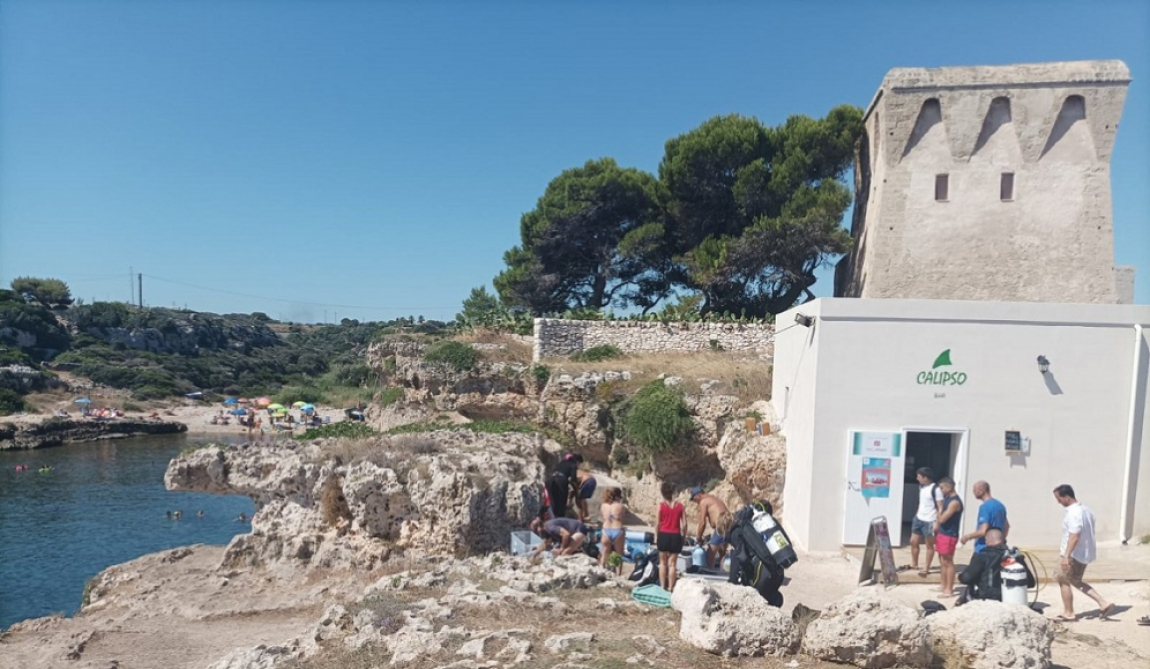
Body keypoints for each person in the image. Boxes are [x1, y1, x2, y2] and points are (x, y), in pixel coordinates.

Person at [1052, 484, 1115, 621]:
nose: (1058, 501)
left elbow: (1075, 535)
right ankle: (1103, 603)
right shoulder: (1087, 510)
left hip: (1073, 554)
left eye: (1059, 498)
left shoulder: (1074, 513)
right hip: (1084, 554)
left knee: (1062, 579)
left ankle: (1068, 612)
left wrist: (1066, 556)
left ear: (1067, 497)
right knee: (1075, 580)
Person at [958, 527, 1034, 602]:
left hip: (985, 600)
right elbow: (1031, 583)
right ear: (1003, 539)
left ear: (987, 540)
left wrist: (960, 576)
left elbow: (966, 578)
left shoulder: (982, 556)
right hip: (1011, 599)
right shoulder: (1014, 556)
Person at [909, 467, 945, 577]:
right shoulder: (922, 487)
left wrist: (937, 522)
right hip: (919, 518)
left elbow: (940, 507)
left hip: (930, 520)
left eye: (919, 476)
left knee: (929, 545)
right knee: (913, 541)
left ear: (925, 477)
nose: (917, 478)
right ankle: (914, 563)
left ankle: (926, 567)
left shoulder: (936, 489)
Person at [689, 486, 733, 569]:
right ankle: (722, 571)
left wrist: (698, 539)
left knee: (710, 553)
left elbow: (702, 523)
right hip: (729, 524)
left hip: (721, 525)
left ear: (698, 495)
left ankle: (709, 572)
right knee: (722, 552)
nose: (695, 502)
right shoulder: (713, 499)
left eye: (694, 500)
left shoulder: (704, 501)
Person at [655, 481, 686, 593]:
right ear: (673, 492)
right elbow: (685, 524)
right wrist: (683, 537)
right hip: (675, 535)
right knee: (672, 564)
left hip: (663, 534)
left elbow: (657, 523)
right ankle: (671, 588)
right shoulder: (680, 506)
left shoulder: (661, 506)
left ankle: (663, 586)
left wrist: (657, 536)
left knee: (662, 563)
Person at [960, 481, 1009, 552]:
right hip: (998, 549)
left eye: (974, 490)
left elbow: (983, 531)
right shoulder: (1000, 505)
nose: (973, 493)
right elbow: (1007, 526)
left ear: (981, 490)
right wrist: (1000, 540)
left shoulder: (985, 507)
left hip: (983, 548)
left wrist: (967, 537)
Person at [935, 476, 963, 597]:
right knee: (942, 560)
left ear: (949, 486)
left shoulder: (954, 502)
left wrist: (939, 512)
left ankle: (949, 589)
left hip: (950, 534)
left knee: (948, 561)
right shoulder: (947, 499)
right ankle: (943, 584)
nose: (941, 490)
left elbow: (943, 518)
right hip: (943, 533)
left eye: (942, 488)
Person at [545, 452, 582, 520]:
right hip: (561, 480)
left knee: (552, 501)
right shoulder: (573, 465)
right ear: (577, 461)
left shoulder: (562, 462)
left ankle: (550, 518)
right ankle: (560, 519)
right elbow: (573, 478)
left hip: (550, 480)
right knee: (561, 502)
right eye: (579, 463)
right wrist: (577, 488)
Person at [599, 487, 626, 574]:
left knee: (604, 554)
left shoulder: (603, 506)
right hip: (617, 530)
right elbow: (622, 518)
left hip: (606, 530)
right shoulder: (620, 506)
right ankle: (618, 576)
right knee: (618, 555)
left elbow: (603, 518)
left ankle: (601, 573)